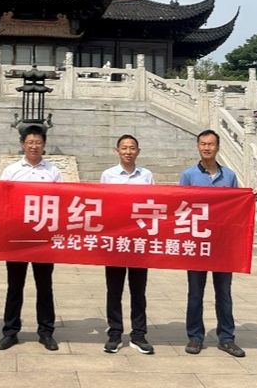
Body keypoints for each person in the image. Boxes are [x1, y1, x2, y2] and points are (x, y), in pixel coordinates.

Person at [179, 129, 246, 358]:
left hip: (222, 245)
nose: (207, 148)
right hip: (197, 243)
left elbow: (236, 207)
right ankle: (195, 337)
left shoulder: (229, 176)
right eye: (203, 144)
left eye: (211, 144)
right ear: (198, 146)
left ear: (218, 147)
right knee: (195, 293)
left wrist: (248, 199)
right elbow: (181, 207)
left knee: (224, 293)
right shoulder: (188, 176)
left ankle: (226, 338)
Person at [0, 125, 63, 351]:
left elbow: (62, 201)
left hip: (43, 237)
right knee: (15, 286)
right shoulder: (12, 171)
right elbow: (2, 200)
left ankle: (46, 331)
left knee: (45, 286)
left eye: (38, 142)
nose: (34, 146)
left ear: (44, 145)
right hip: (17, 237)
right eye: (30, 142)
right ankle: (10, 332)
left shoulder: (53, 172)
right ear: (23, 144)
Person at [100, 134, 155, 354]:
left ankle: (139, 334)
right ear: (117, 151)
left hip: (139, 240)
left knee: (138, 290)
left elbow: (154, 204)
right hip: (115, 240)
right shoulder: (108, 175)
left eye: (132, 148)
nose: (128, 152)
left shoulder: (146, 175)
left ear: (138, 151)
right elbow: (102, 205)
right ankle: (114, 333)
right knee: (114, 289)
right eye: (124, 148)